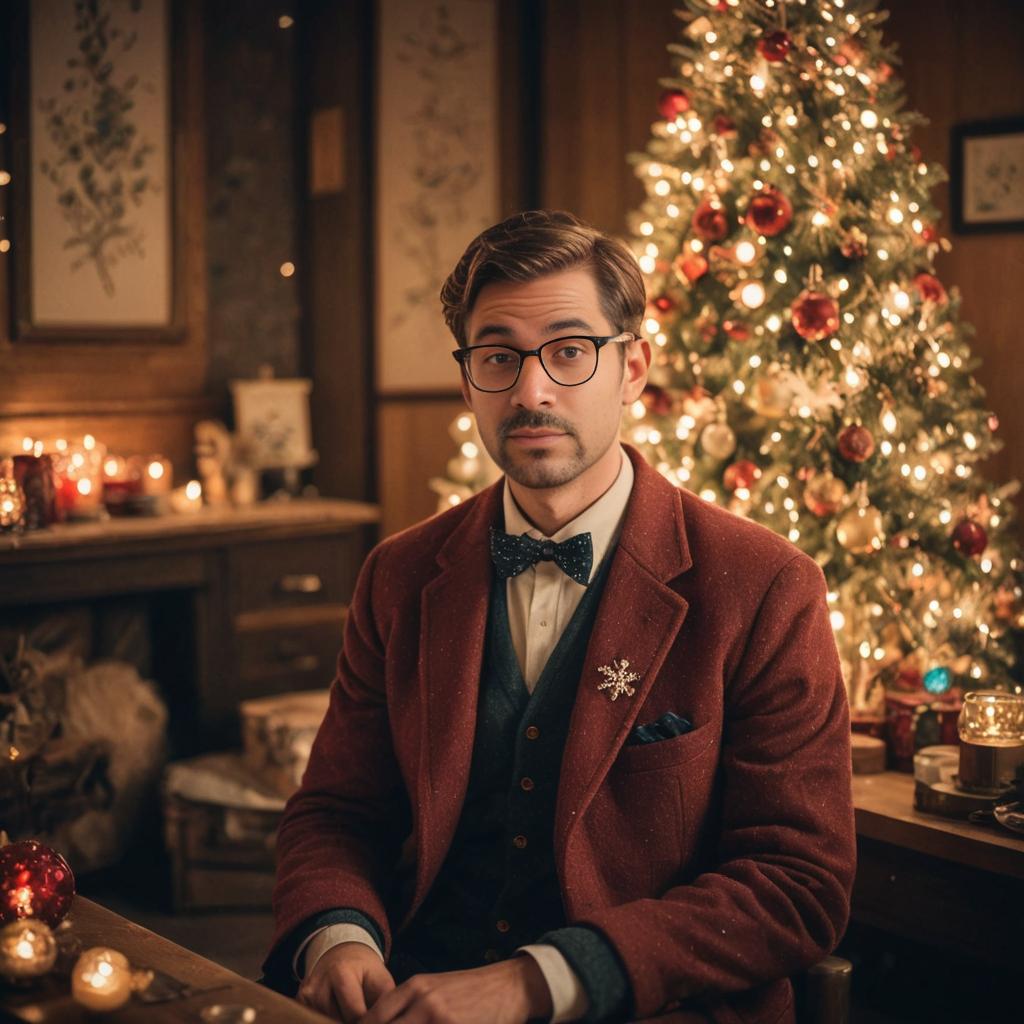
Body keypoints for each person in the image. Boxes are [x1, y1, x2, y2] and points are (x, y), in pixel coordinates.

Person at [263, 210, 856, 1024]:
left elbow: (798, 883)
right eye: (498, 357)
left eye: (570, 351)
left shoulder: (767, 588)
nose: (531, 390)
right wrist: (340, 938)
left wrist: (538, 982)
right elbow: (336, 813)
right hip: (409, 996)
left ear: (634, 367)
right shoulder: (397, 575)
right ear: (469, 378)